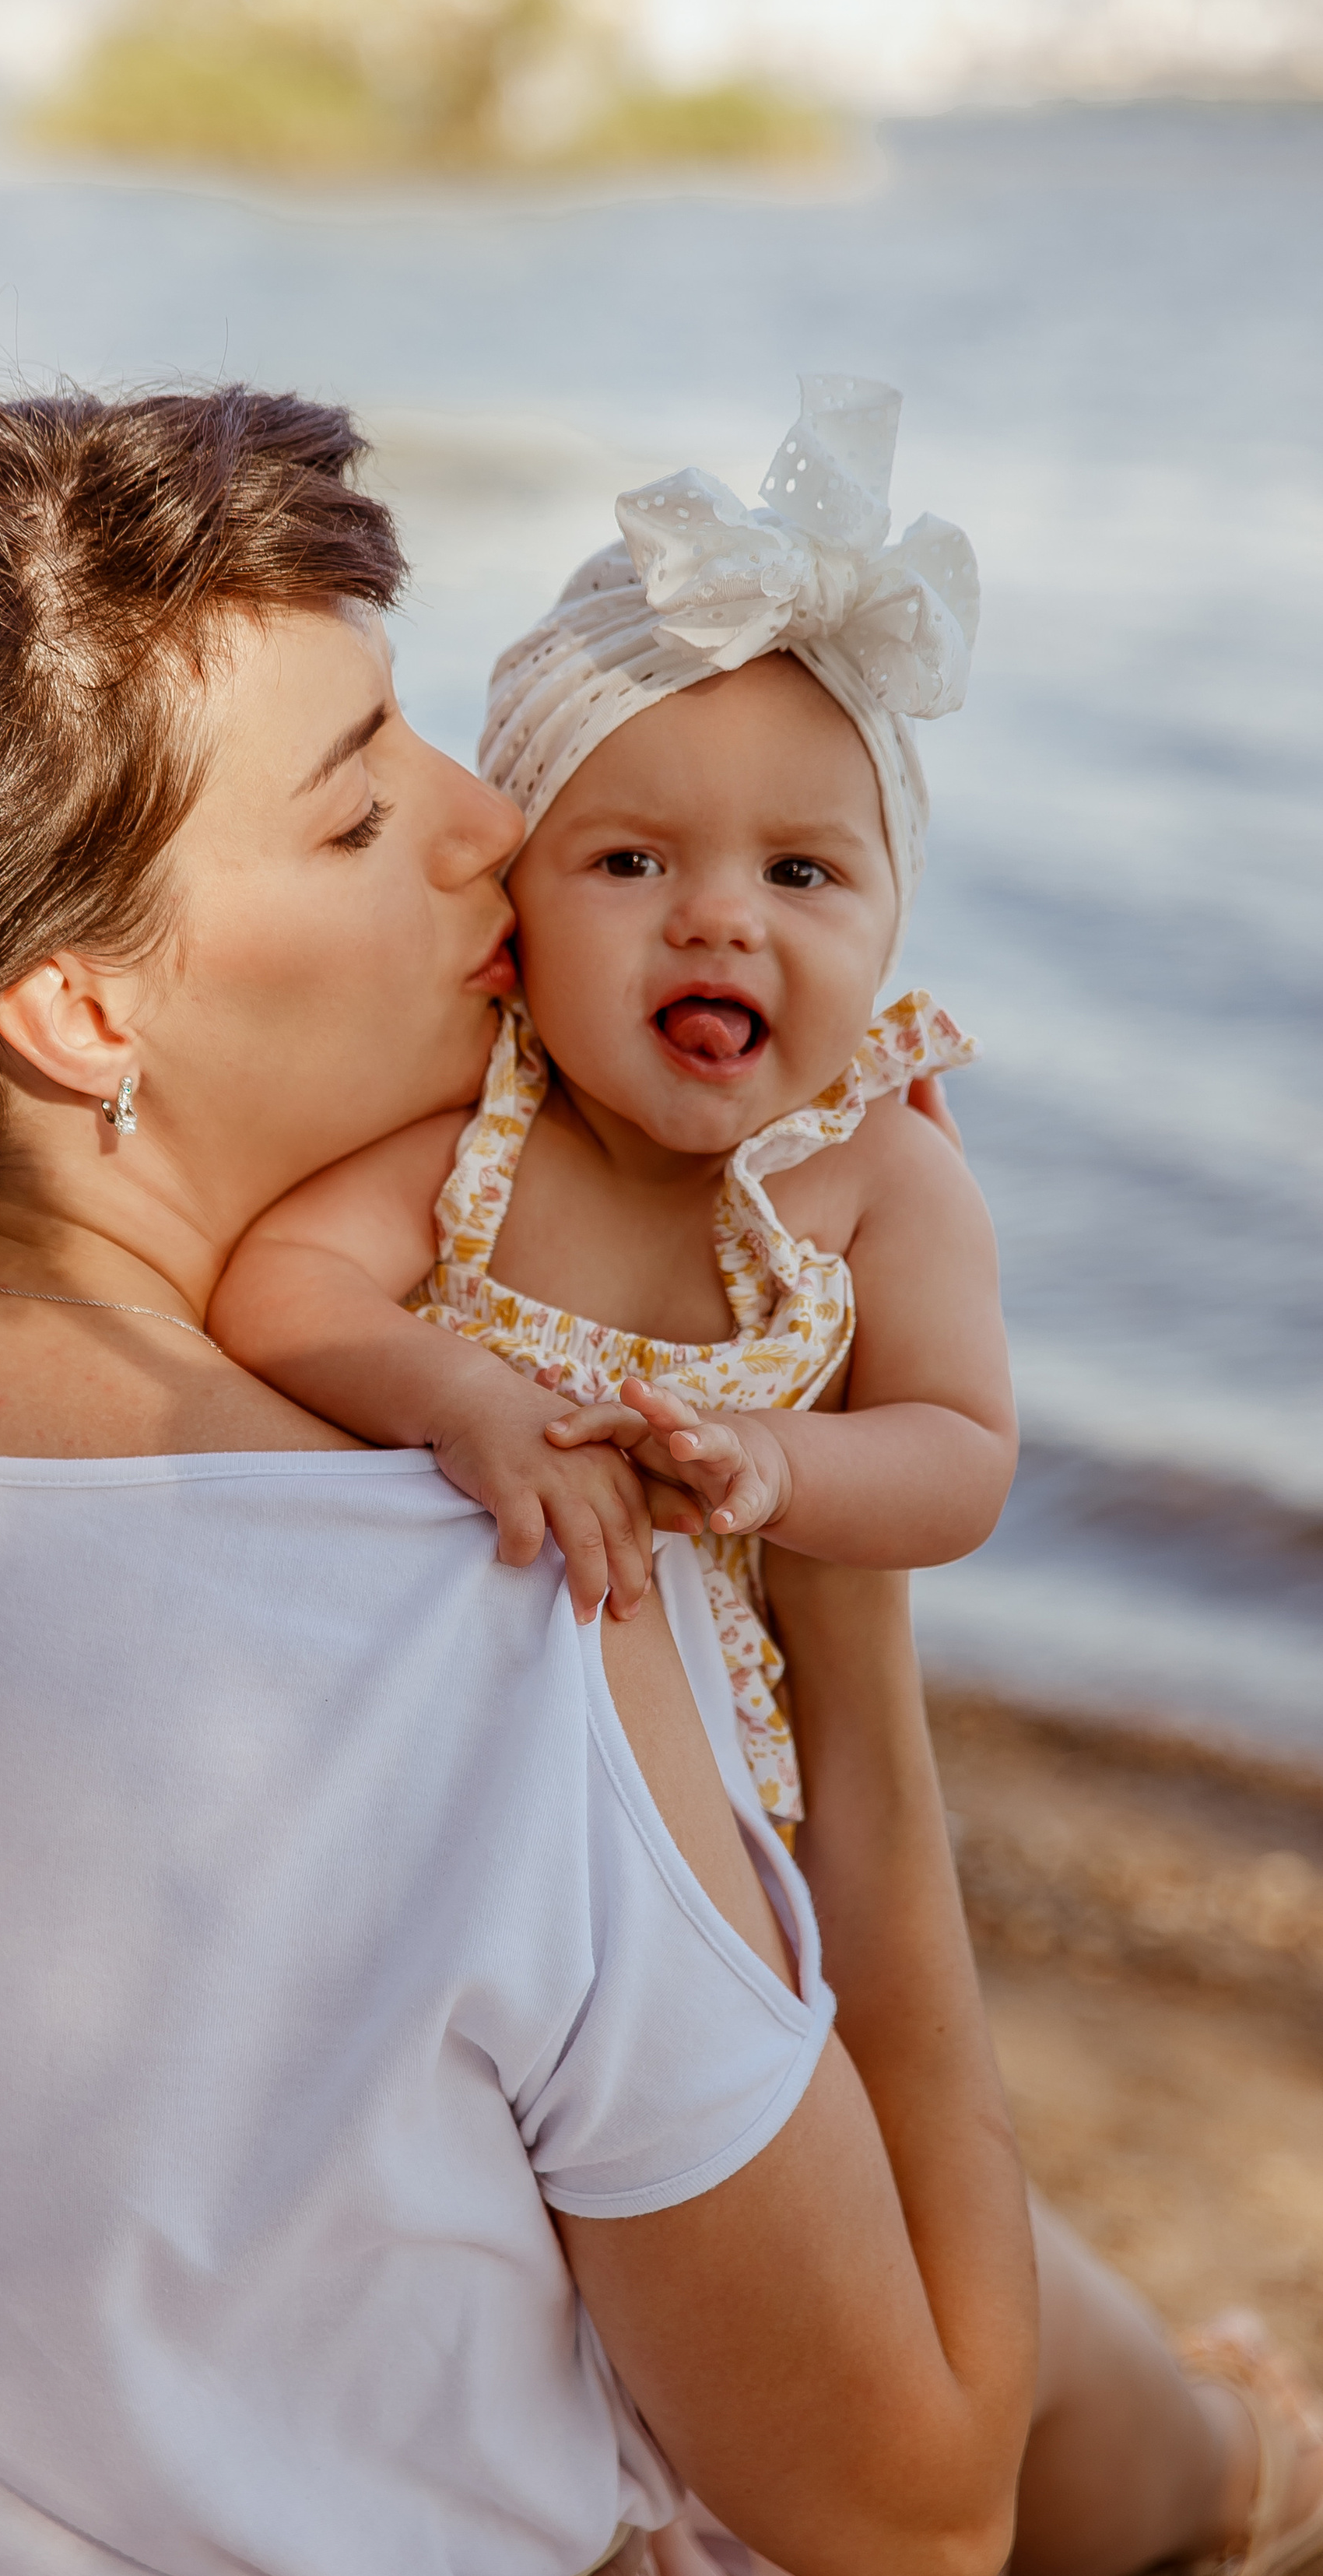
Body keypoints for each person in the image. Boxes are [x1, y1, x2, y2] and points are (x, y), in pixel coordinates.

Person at [0, 389, 1310, 2576]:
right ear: (77, 1009)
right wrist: (838, 1621)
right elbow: (905, 2496)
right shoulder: (479, 1594)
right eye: (368, 805)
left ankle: (1231, 2491)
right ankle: (1245, 2500)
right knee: (930, 2357)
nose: (498, 830)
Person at [210, 377, 1013, 1834]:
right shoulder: (492, 1132)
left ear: (892, 923)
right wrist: (466, 1402)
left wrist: (781, 1464)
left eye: (802, 873)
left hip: (696, 1802)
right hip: (415, 1742)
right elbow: (285, 1287)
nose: (720, 921)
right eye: (633, 864)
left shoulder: (881, 1181)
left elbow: (959, 1454)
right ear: (517, 909)